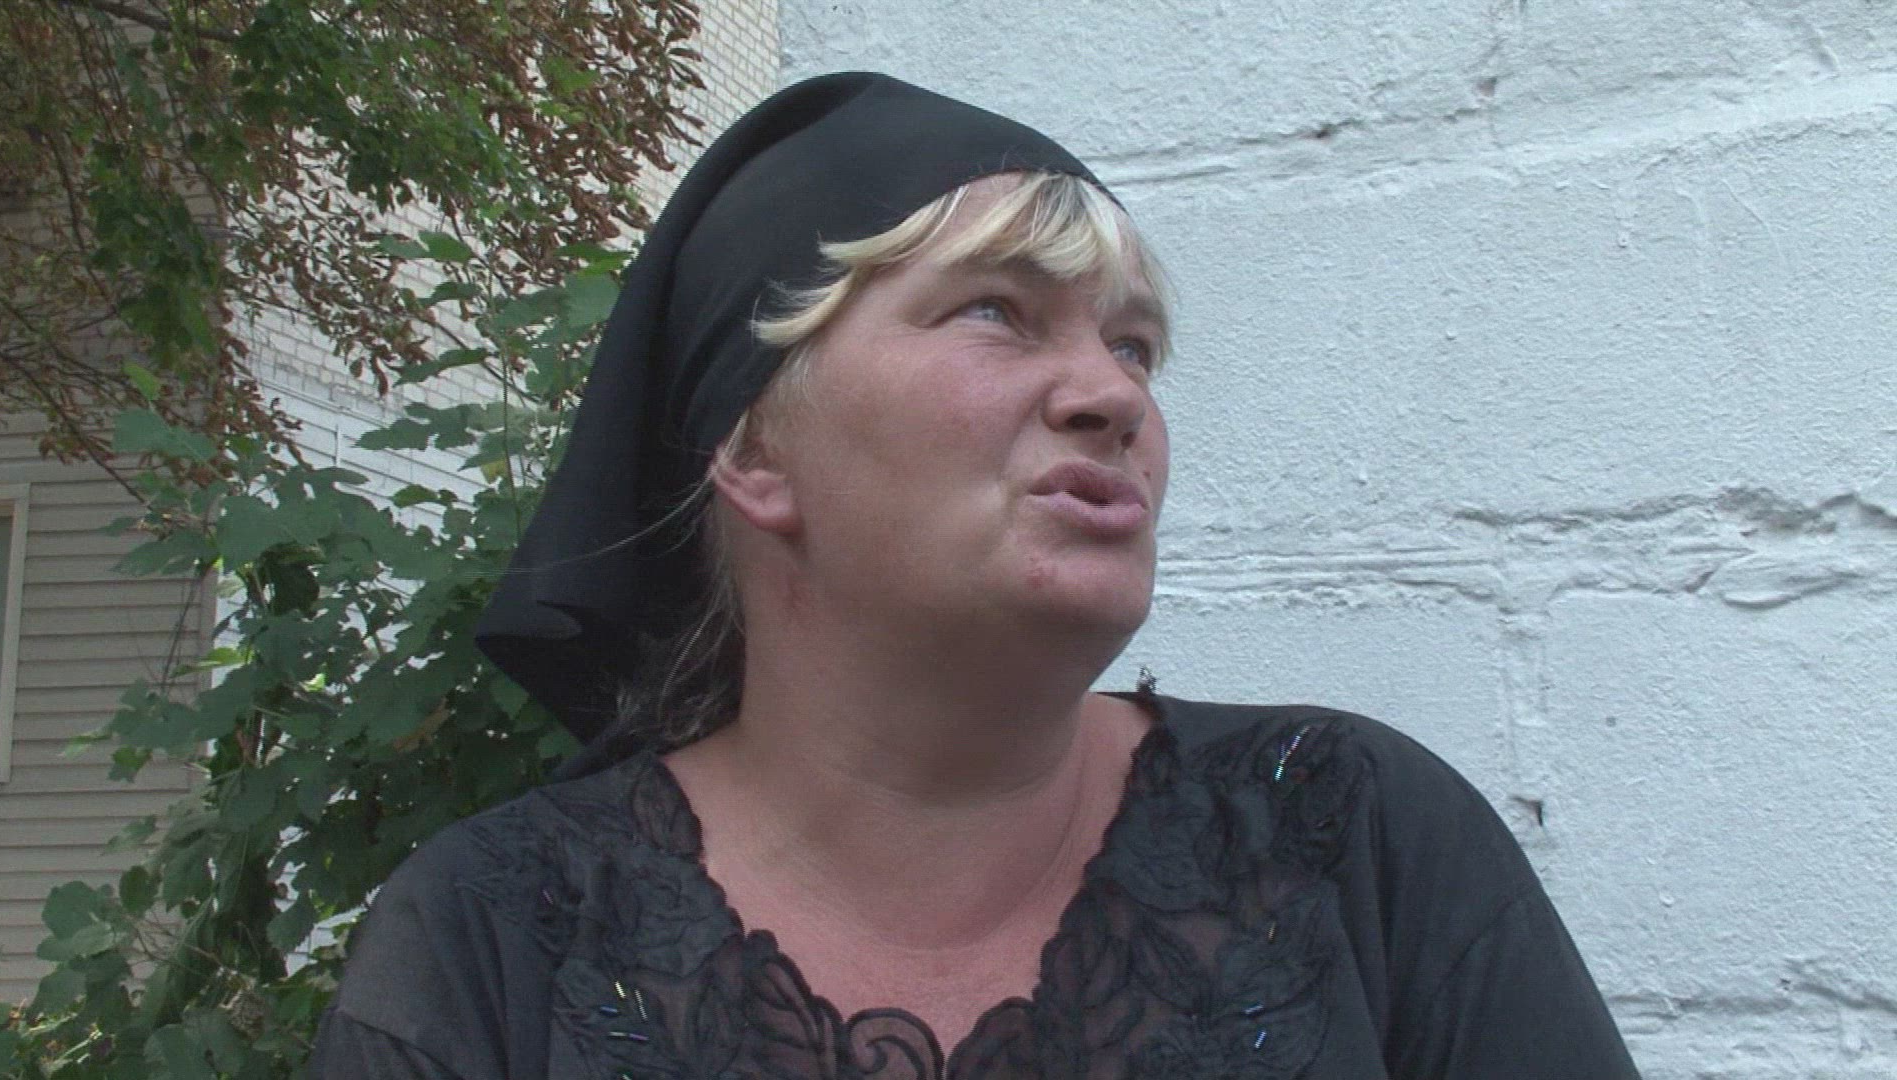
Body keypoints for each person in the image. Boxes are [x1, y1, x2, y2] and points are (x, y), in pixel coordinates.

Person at [309, 72, 1642, 1079]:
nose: (1113, 396)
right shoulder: (500, 939)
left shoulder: (1347, 840)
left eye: (1134, 346)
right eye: (998, 311)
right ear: (754, 447)